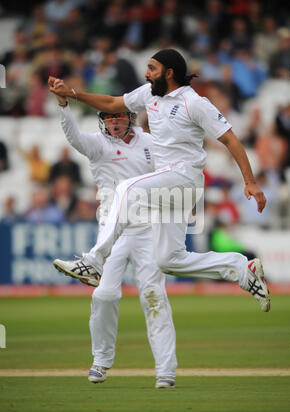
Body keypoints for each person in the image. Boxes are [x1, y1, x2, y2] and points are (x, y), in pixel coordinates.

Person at [48, 48, 270, 314]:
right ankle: (242, 269)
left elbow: (230, 139)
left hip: (184, 176)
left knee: (125, 189)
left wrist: (250, 181)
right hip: (168, 184)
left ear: (169, 73)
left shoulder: (194, 103)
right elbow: (111, 104)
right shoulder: (148, 94)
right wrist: (71, 94)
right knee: (170, 260)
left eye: (151, 69)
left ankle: (93, 262)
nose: (146, 73)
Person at [51, 91, 177, 389]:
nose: (114, 121)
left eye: (118, 116)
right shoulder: (97, 145)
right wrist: (63, 105)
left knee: (154, 297)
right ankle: (101, 361)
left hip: (148, 231)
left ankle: (165, 371)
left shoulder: (149, 142)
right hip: (113, 233)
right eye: (108, 117)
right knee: (104, 296)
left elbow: (168, 172)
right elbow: (72, 136)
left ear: (130, 117)